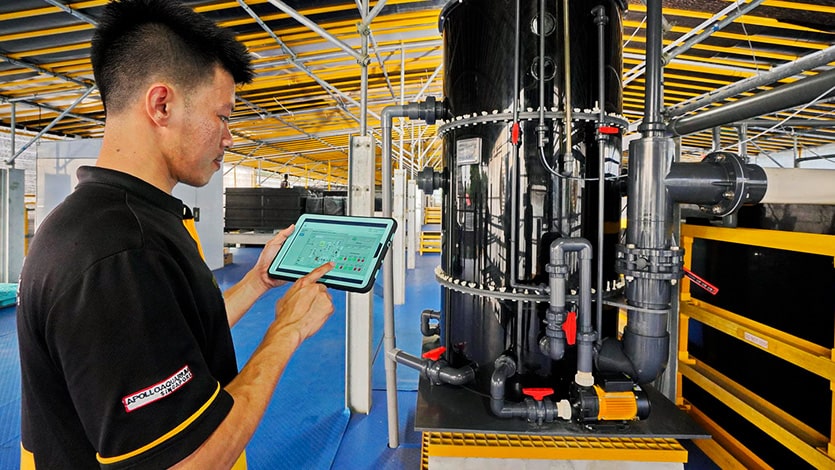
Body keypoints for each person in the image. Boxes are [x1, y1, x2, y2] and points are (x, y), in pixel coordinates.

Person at [16, 0, 335, 468]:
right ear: (161, 104)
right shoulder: (121, 253)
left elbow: (167, 335)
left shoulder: (107, 219)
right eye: (223, 116)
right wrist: (286, 332)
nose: (229, 137)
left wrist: (256, 283)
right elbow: (187, 462)